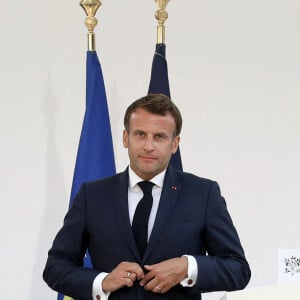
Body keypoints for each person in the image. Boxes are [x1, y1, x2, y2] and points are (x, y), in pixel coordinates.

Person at [43, 94, 251, 300]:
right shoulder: (93, 195)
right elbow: (55, 267)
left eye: (159, 136)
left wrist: (187, 267)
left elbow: (238, 270)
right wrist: (102, 282)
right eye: (140, 134)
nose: (148, 146)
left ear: (175, 143)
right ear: (126, 138)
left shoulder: (203, 194)